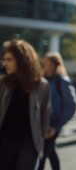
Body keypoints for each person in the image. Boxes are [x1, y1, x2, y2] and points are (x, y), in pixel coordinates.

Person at [0, 39, 51, 169]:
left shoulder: (41, 85)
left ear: (22, 60)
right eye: (4, 59)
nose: (4, 63)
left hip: (29, 143)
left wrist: (40, 137)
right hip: (4, 142)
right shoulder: (3, 83)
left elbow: (45, 113)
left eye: (9, 59)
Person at [39, 52, 76, 170]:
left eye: (46, 62)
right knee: (50, 152)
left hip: (52, 125)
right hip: (42, 123)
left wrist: (56, 126)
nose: (43, 64)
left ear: (54, 64)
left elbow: (71, 105)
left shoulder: (62, 81)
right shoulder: (42, 79)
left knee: (42, 156)